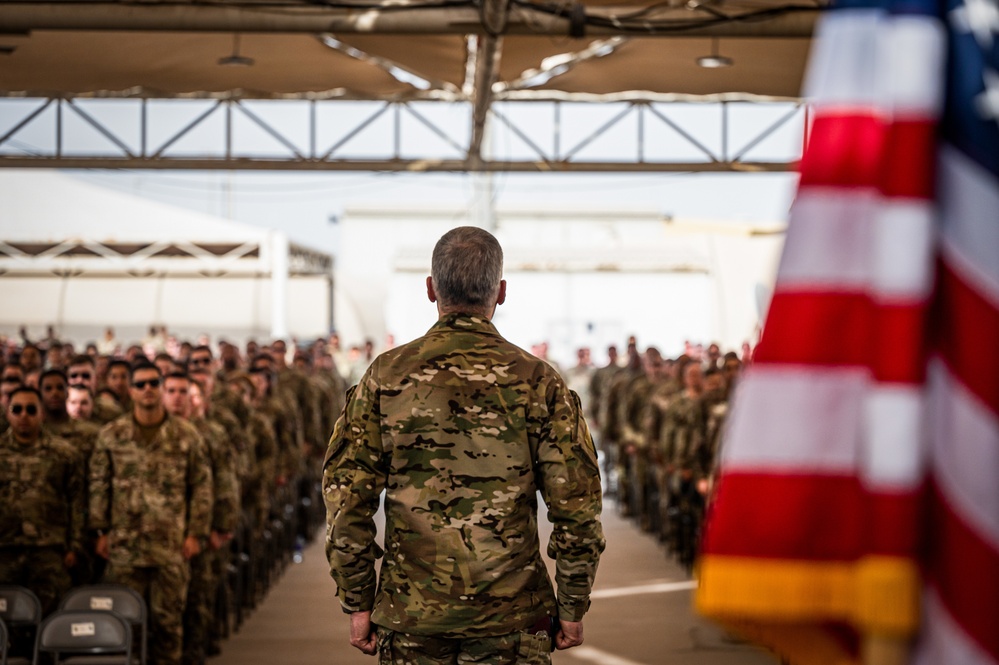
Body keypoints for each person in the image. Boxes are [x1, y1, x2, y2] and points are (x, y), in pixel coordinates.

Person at [323, 226, 605, 664]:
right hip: (512, 621)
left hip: (411, 618)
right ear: (501, 292)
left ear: (431, 289)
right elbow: (577, 507)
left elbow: (346, 498)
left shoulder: (386, 377)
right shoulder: (538, 381)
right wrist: (572, 604)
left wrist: (357, 600)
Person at [88, 362, 213, 665]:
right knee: (124, 628)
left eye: (153, 383)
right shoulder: (112, 435)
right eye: (140, 384)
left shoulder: (185, 434)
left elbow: (201, 485)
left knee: (168, 628)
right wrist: (99, 531)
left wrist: (196, 533)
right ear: (130, 390)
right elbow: (99, 485)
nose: (147, 389)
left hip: (169, 547)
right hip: (124, 548)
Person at [0, 387, 85, 615]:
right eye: (17, 409)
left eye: (31, 409)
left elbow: (77, 502)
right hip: (5, 550)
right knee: (7, 621)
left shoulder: (64, 454)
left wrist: (75, 546)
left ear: (42, 414)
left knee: (50, 617)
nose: (24, 415)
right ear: (8, 414)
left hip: (49, 551)